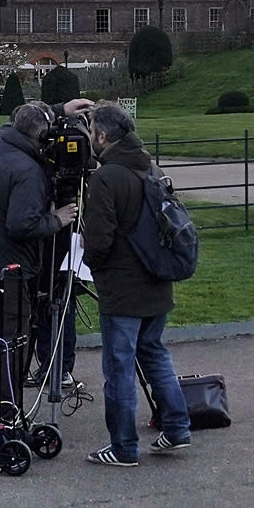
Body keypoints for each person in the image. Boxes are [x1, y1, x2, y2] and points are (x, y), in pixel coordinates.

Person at [76, 103, 191, 467]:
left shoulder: (107, 177)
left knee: (120, 369)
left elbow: (98, 241)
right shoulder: (149, 167)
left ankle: (124, 447)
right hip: (156, 280)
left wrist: (92, 260)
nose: (89, 136)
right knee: (155, 355)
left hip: (122, 288)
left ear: (103, 137)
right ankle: (176, 427)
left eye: (91, 130)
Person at [0, 101, 75, 412]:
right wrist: (57, 219)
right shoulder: (29, 171)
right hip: (4, 275)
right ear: (42, 137)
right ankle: (6, 415)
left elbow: (19, 122)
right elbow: (22, 225)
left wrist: (59, 110)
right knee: (10, 346)